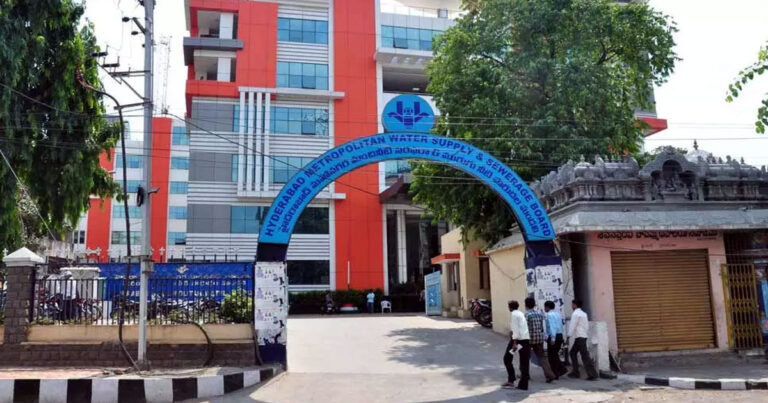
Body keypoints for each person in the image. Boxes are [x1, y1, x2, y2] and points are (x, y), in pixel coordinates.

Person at [524, 297, 556, 384]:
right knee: (542, 357)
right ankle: (550, 375)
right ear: (534, 305)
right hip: (539, 338)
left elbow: (525, 328)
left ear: (526, 305)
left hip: (529, 339)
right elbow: (541, 327)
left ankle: (525, 375)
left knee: (525, 357)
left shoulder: (526, 315)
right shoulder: (539, 314)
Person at [502, 300, 530, 389]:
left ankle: (511, 380)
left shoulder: (513, 314)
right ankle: (523, 385)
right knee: (524, 362)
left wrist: (514, 343)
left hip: (517, 342)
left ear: (510, 307)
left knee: (507, 358)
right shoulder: (520, 313)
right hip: (525, 340)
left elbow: (516, 329)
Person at [567, 299, 598, 380]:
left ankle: (592, 374)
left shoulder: (575, 314)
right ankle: (576, 372)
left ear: (575, 305)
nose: (572, 306)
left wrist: (568, 335)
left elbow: (572, 325)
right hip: (582, 336)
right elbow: (586, 326)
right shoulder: (584, 314)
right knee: (573, 353)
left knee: (584, 356)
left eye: (572, 304)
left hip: (579, 337)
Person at [544, 300, 568, 378]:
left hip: (554, 336)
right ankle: (560, 370)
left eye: (545, 307)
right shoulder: (558, 315)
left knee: (551, 356)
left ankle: (557, 372)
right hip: (560, 335)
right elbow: (561, 326)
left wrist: (552, 339)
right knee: (554, 354)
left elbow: (552, 327)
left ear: (547, 307)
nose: (544, 308)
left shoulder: (549, 315)